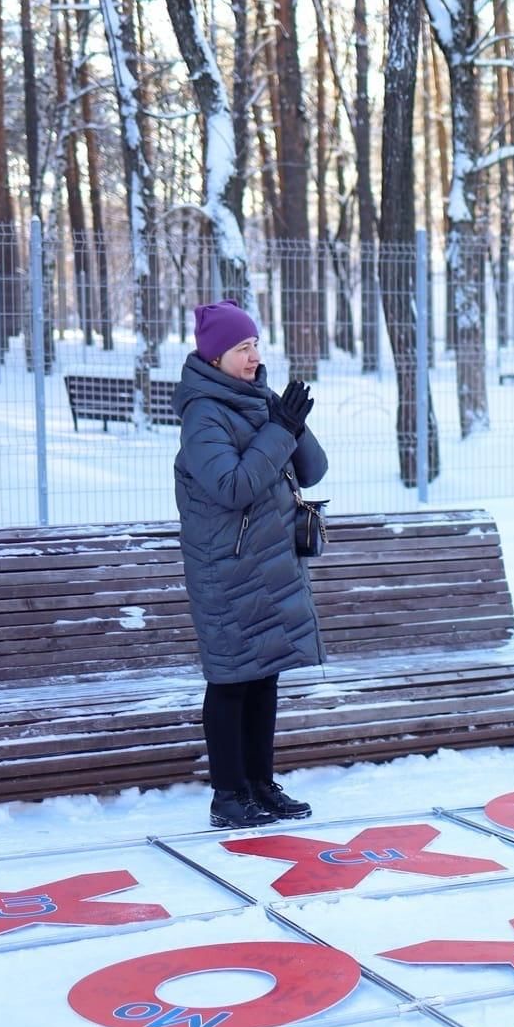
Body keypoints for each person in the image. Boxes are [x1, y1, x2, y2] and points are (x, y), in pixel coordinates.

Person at [173, 299, 329, 829]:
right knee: (231, 681)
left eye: (256, 344)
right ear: (215, 356)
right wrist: (277, 430)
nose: (253, 356)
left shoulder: (255, 399)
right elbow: (231, 486)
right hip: (226, 567)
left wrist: (288, 422)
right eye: (242, 347)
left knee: (265, 677)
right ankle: (228, 795)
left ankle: (261, 784)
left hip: (267, 564)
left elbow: (314, 471)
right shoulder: (203, 413)